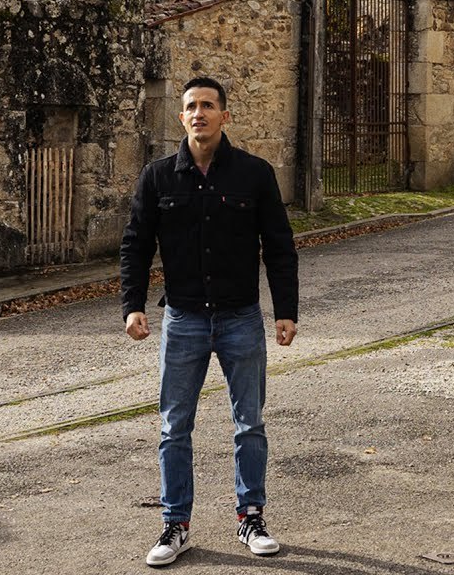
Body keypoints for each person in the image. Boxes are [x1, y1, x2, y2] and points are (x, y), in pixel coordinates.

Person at [120, 76, 298, 567]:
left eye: (207, 106)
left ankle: (251, 516)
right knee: (174, 427)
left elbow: (280, 247)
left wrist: (286, 311)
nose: (198, 113)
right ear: (182, 117)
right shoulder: (158, 177)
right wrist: (132, 305)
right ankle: (174, 525)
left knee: (250, 424)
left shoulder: (255, 174)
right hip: (183, 321)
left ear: (225, 115)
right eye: (190, 107)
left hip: (241, 318)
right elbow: (136, 244)